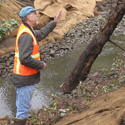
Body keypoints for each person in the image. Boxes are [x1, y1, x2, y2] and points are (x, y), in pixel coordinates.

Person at [12, 6, 62, 125]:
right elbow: (24, 59)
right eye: (35, 14)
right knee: (23, 110)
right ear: (29, 17)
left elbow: (41, 34)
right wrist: (41, 65)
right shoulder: (26, 35)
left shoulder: (28, 29)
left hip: (24, 78)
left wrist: (54, 23)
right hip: (24, 79)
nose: (37, 15)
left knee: (23, 108)